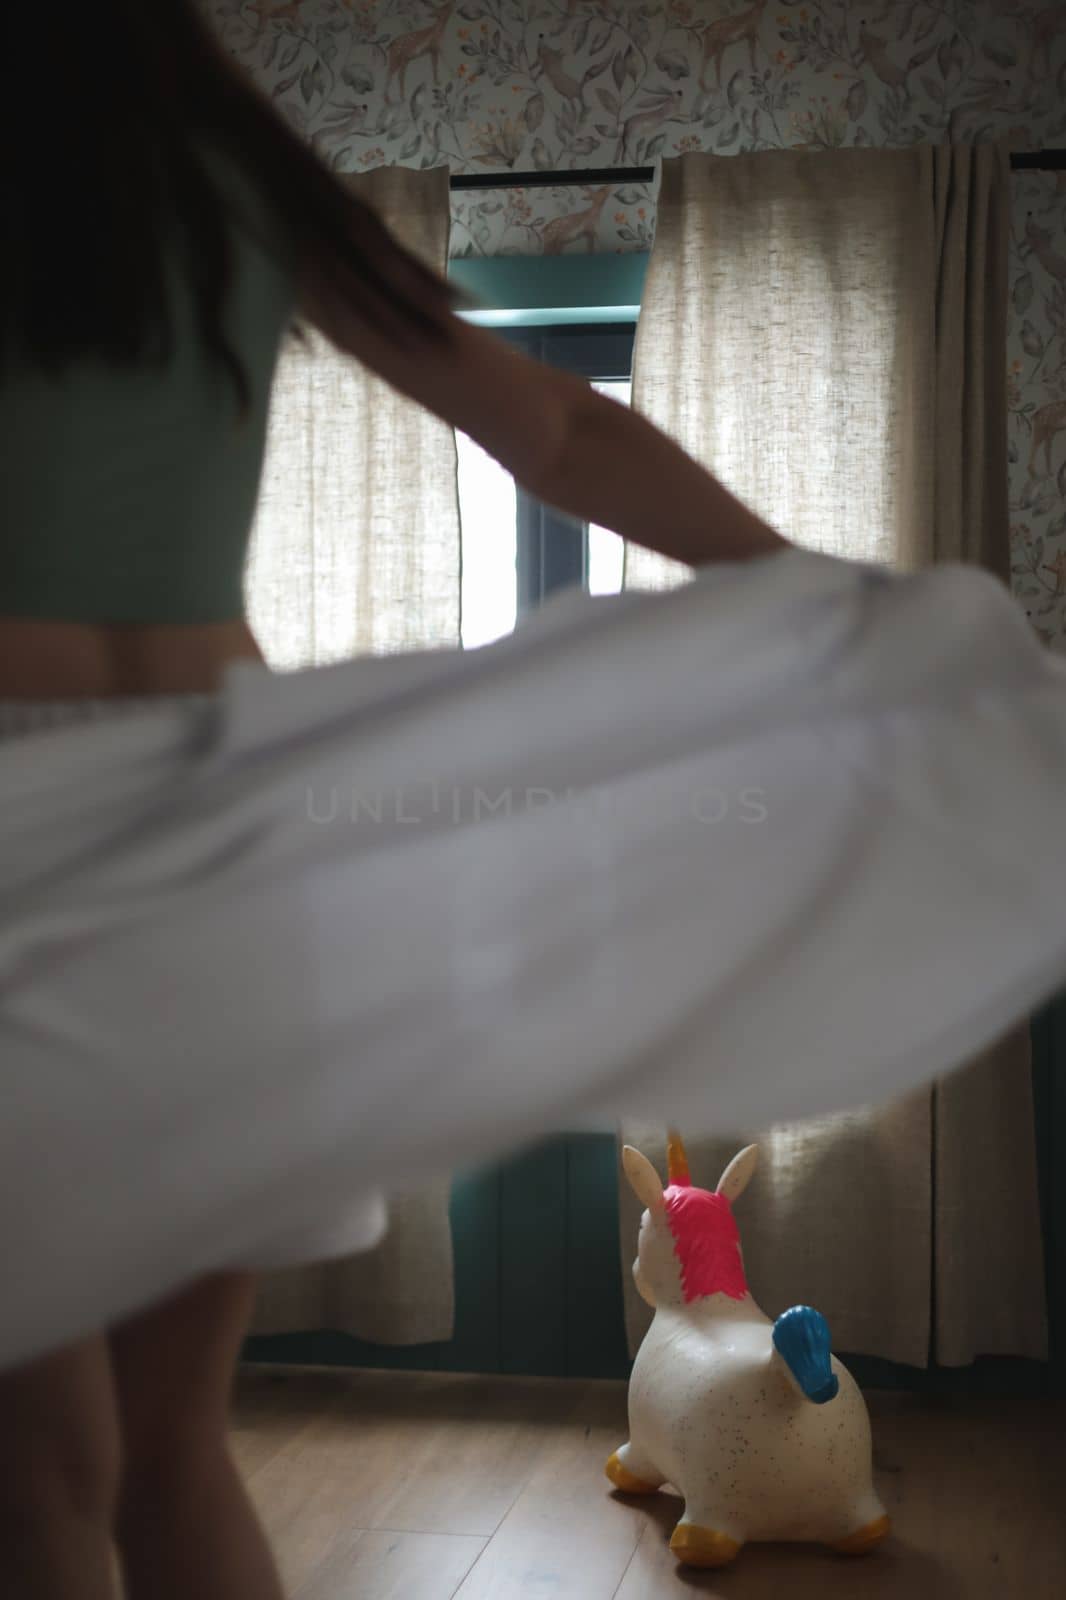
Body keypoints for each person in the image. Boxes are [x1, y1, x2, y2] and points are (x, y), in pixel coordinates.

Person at [4, 5, 1066, 1599]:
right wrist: (813, 592)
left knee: (41, 1474)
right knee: (171, 1455)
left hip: (34, 842)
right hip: (222, 848)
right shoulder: (225, 174)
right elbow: (556, 428)